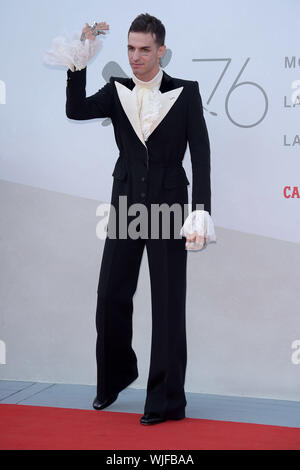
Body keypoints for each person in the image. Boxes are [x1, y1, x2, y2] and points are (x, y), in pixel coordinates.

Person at [44, 13, 216, 425]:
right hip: (125, 207)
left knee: (168, 306)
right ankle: (114, 380)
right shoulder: (116, 90)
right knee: (110, 298)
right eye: (129, 48)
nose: (135, 57)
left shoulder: (187, 93)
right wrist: (80, 59)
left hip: (170, 209)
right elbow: (74, 110)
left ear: (160, 50)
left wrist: (201, 213)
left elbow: (202, 155)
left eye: (143, 49)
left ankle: (167, 400)